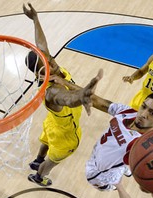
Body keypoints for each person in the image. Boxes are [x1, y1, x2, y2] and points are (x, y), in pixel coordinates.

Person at [23, 3, 98, 187]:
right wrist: (82, 95)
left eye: (49, 58)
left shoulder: (49, 67)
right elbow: (70, 99)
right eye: (48, 63)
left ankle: (37, 160)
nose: (52, 62)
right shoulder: (53, 91)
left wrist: (35, 19)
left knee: (46, 140)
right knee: (52, 162)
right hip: (65, 136)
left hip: (52, 124)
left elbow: (41, 45)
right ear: (41, 73)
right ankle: (39, 176)